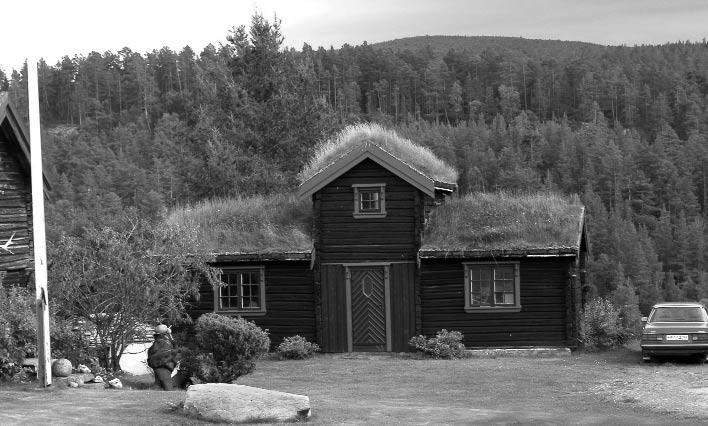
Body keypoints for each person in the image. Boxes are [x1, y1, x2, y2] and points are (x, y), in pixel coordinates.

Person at [147, 324, 176, 390]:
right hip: (163, 365)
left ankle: (152, 394)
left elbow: (174, 346)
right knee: (168, 386)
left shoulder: (160, 341)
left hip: (161, 365)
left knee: (158, 384)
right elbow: (175, 347)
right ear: (165, 334)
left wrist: (170, 334)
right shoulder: (162, 342)